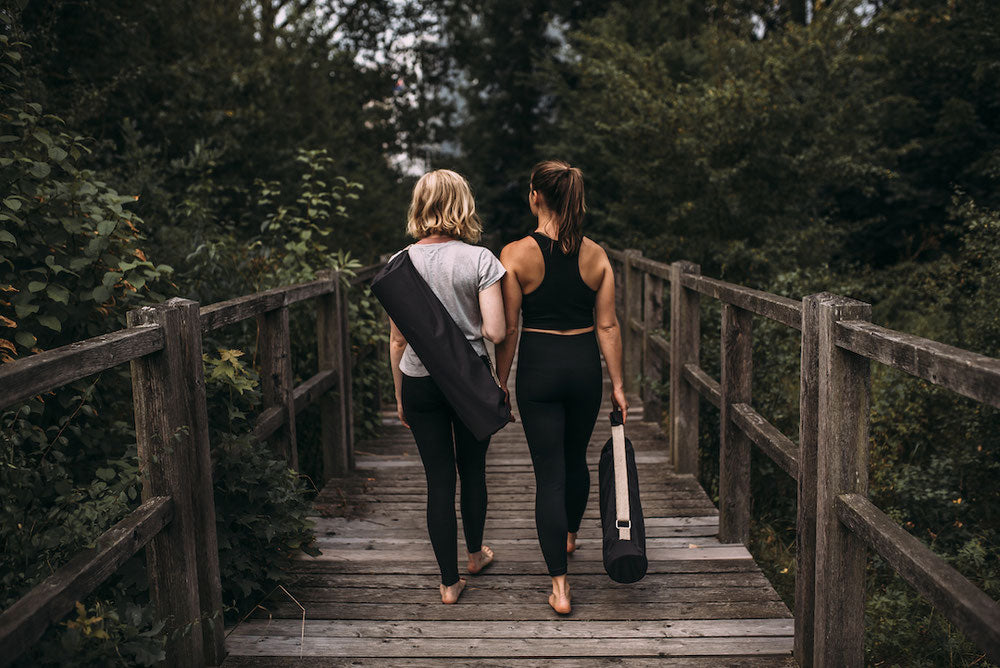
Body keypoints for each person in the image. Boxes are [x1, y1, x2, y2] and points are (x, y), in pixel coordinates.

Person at [494, 160, 628, 615]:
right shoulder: (597, 255)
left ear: (535, 196)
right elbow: (607, 325)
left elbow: (509, 330)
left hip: (540, 369)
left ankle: (560, 587)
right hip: (584, 367)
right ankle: (570, 533)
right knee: (576, 460)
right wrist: (620, 385)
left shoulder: (514, 254)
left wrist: (500, 380)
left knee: (549, 473)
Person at [388, 169, 507, 604]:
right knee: (472, 471)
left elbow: (398, 339)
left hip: (420, 381)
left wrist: (400, 394)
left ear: (420, 206)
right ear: (462, 205)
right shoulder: (480, 260)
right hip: (469, 382)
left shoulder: (398, 263)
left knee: (438, 480)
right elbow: (495, 331)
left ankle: (449, 583)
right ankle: (475, 555)